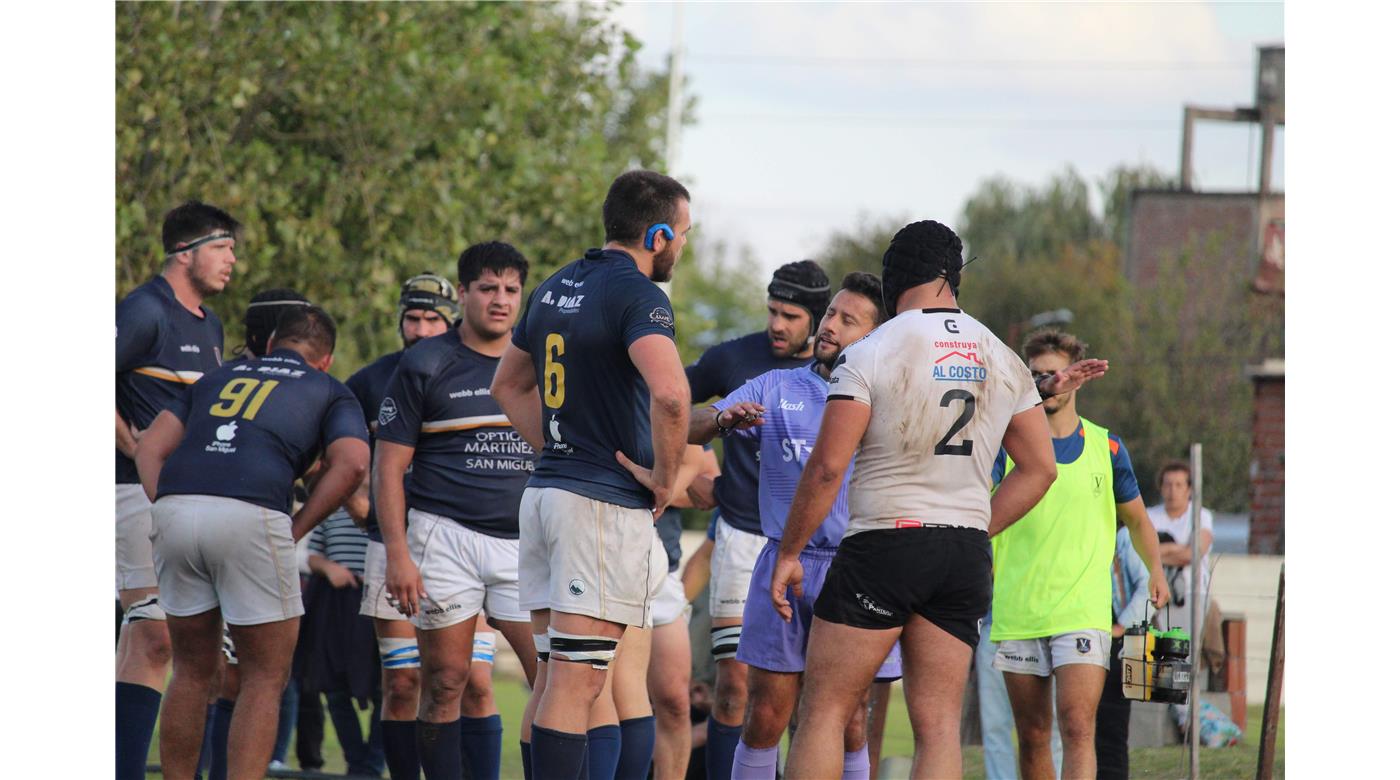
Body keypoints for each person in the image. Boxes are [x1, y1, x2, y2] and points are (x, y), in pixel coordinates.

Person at [772, 219, 1088, 778]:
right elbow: (1040, 469)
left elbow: (826, 468)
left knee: (823, 711)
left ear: (895, 280)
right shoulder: (1002, 355)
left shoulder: (872, 351)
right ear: (954, 277)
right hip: (963, 553)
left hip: (885, 545)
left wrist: (790, 552)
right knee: (938, 727)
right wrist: (972, 525)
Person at [491, 169, 692, 779]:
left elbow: (507, 384)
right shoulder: (639, 294)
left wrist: (565, 445)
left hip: (548, 494)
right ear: (657, 234)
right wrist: (665, 478)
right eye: (683, 233)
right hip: (596, 509)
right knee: (576, 686)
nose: (683, 246)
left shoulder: (554, 285)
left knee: (556, 677)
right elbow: (673, 396)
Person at [135, 305, 370, 780]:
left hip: (177, 508)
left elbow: (149, 447)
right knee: (264, 678)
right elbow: (354, 464)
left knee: (192, 670)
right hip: (252, 512)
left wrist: (171, 503)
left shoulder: (217, 377)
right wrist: (297, 527)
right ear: (325, 358)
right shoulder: (328, 388)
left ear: (270, 344)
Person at [687, 272, 896, 780]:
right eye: (830, 315)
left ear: (872, 337)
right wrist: (721, 420)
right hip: (784, 561)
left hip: (856, 568)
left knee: (849, 722)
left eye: (848, 320)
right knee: (764, 717)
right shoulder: (779, 385)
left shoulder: (889, 399)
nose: (830, 327)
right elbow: (687, 423)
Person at [376, 242, 540, 779]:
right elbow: (387, 467)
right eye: (488, 288)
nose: (500, 300)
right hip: (443, 536)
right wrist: (398, 554)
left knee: (553, 679)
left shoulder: (541, 359)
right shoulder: (425, 361)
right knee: (445, 681)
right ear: (463, 293)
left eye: (511, 290)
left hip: (524, 543)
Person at [989, 328, 1169, 780]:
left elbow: (1138, 520)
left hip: (1083, 613)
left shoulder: (1107, 447)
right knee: (1032, 735)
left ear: (1078, 378)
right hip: (1019, 611)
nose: (1049, 380)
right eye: (1037, 374)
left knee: (1077, 726)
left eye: (1055, 371)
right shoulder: (1005, 444)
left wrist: (1157, 571)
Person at [684, 259, 831, 779]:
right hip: (746, 539)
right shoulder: (732, 359)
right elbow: (670, 406)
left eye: (791, 315)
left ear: (818, 319)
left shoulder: (846, 376)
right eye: (772, 311)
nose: (777, 324)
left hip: (823, 552)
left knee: (808, 698)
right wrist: (684, 476)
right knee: (736, 686)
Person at [115, 200, 239, 780]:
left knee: (175, 646)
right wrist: (131, 443)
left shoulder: (210, 324)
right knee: (154, 638)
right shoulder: (144, 309)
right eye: (223, 248)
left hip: (180, 501)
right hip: (128, 494)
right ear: (186, 253)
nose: (232, 261)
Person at [348, 272, 457, 779]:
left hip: (461, 545)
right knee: (403, 682)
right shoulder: (370, 380)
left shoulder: (478, 371)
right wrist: (359, 504)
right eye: (411, 318)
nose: (419, 328)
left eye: (432, 318)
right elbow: (337, 457)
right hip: (388, 546)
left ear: (451, 320)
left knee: (464, 682)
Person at [1148, 460, 1225, 676]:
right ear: (1161, 487)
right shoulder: (1149, 516)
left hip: (1193, 592)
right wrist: (1177, 549)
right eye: (1168, 484)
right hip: (1155, 594)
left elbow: (1194, 553)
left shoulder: (1201, 515)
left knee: (1189, 652)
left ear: (1189, 489)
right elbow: (1138, 554)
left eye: (1179, 485)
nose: (1173, 491)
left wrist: (1159, 552)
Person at [1094, 523, 1157, 779]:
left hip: (1119, 646)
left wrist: (1121, 626)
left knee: (1112, 730)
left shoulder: (1124, 538)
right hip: (1091, 638)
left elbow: (1149, 588)